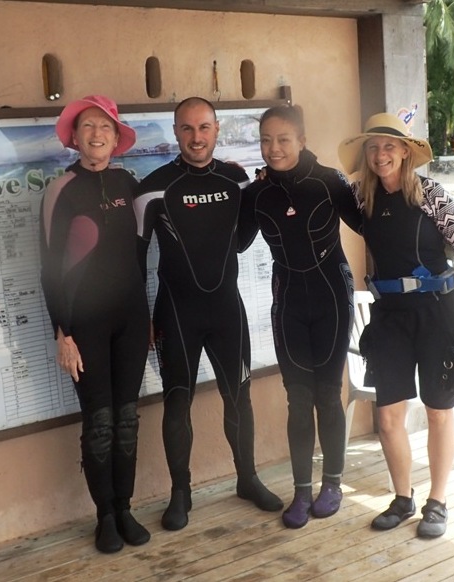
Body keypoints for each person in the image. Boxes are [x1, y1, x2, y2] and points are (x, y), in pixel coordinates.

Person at [133, 96, 283, 531]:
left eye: (204, 128)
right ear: (176, 132)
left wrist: (260, 192)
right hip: (176, 311)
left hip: (225, 310)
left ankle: (247, 478)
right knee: (176, 401)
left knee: (240, 396)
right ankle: (181, 494)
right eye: (187, 128)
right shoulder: (153, 188)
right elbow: (135, 259)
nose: (196, 137)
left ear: (217, 129)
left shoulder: (237, 180)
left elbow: (238, 242)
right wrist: (142, 316)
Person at [337, 112, 454, 538]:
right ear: (366, 155)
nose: (381, 154)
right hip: (390, 318)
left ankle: (436, 503)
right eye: (373, 147)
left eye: (389, 146)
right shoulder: (361, 197)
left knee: (440, 412)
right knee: (387, 418)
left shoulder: (431, 194)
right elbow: (320, 191)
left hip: (440, 313)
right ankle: (402, 499)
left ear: (405, 151)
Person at [239, 105, 362, 528]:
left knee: (328, 393)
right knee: (298, 397)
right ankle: (302, 491)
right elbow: (235, 243)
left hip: (331, 295)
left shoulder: (330, 182)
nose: (273, 149)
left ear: (302, 140)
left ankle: (332, 483)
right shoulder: (257, 194)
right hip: (288, 298)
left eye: (283, 139)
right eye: (266, 140)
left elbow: (371, 225)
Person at [39, 95, 151, 553]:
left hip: (130, 319)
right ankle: (104, 514)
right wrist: (61, 332)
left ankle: (125, 507)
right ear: (75, 136)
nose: (97, 133)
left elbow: (143, 253)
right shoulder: (60, 189)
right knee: (100, 421)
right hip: (83, 326)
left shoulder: (129, 183)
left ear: (115, 134)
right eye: (87, 126)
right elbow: (48, 266)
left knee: (127, 418)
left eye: (104, 125)